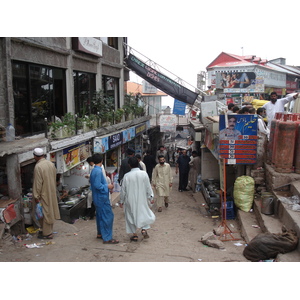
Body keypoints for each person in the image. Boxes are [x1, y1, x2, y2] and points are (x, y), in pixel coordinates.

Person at [119, 157, 155, 242]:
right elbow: (148, 187)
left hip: (130, 200)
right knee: (143, 213)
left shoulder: (127, 176)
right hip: (142, 199)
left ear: (129, 165)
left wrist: (121, 201)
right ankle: (144, 229)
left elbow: (123, 190)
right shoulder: (144, 174)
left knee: (130, 216)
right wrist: (151, 197)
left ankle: (134, 235)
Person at [90, 153, 118, 244]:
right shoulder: (98, 171)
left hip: (97, 197)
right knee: (108, 217)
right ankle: (107, 237)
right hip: (101, 197)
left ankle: (100, 233)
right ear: (101, 161)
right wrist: (108, 186)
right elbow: (98, 185)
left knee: (100, 216)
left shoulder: (94, 170)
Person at [32, 148, 60, 239]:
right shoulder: (50, 164)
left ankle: (47, 233)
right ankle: (48, 231)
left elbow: (38, 183)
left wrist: (36, 196)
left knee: (44, 213)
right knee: (49, 211)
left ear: (35, 156)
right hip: (51, 191)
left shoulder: (38, 167)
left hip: (44, 193)